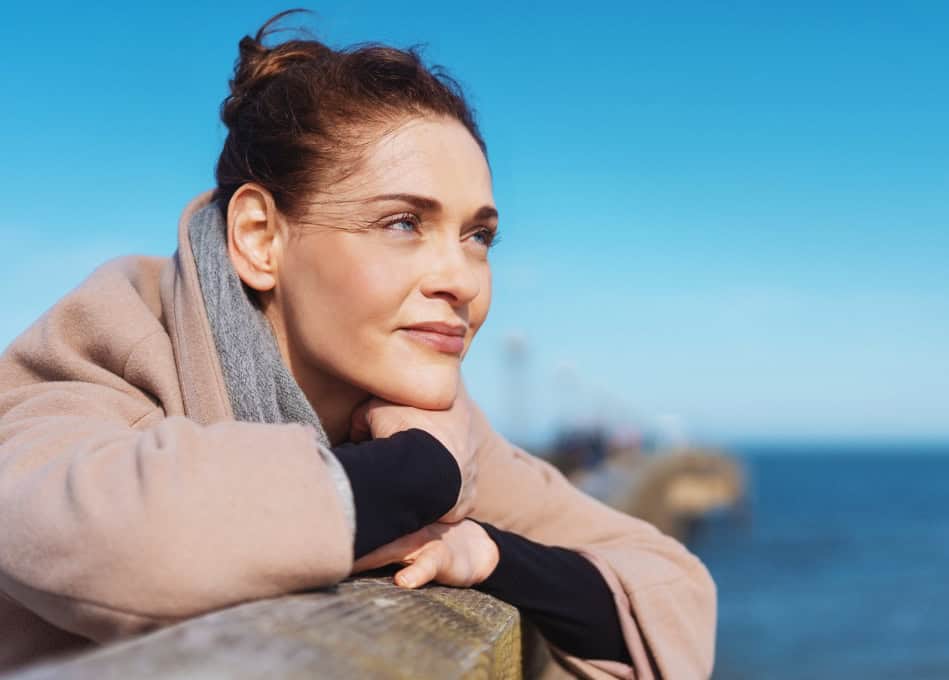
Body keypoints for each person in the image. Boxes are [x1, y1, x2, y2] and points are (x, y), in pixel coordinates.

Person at [0, 11, 715, 679]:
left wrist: (490, 555)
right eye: (403, 223)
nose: (461, 279)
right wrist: (419, 476)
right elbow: (110, 535)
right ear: (259, 238)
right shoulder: (109, 344)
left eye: (478, 237)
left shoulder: (418, 413)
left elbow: (670, 587)